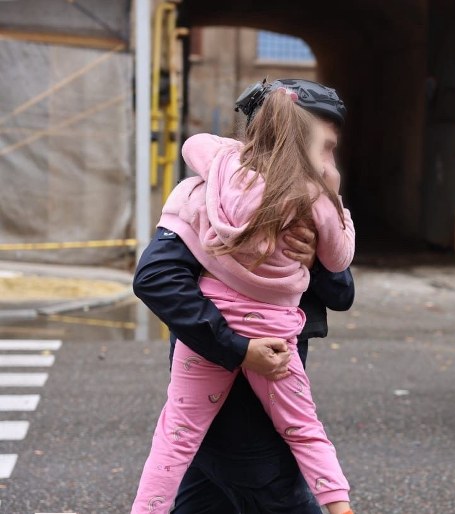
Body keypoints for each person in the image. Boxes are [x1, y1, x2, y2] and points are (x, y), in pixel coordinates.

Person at [131, 80, 356, 514]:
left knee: (199, 494)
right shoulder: (206, 195)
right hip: (243, 414)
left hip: (257, 389)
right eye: (324, 148)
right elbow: (156, 277)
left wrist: (311, 258)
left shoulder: (308, 207)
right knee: (278, 496)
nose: (329, 163)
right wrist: (239, 349)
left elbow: (342, 292)